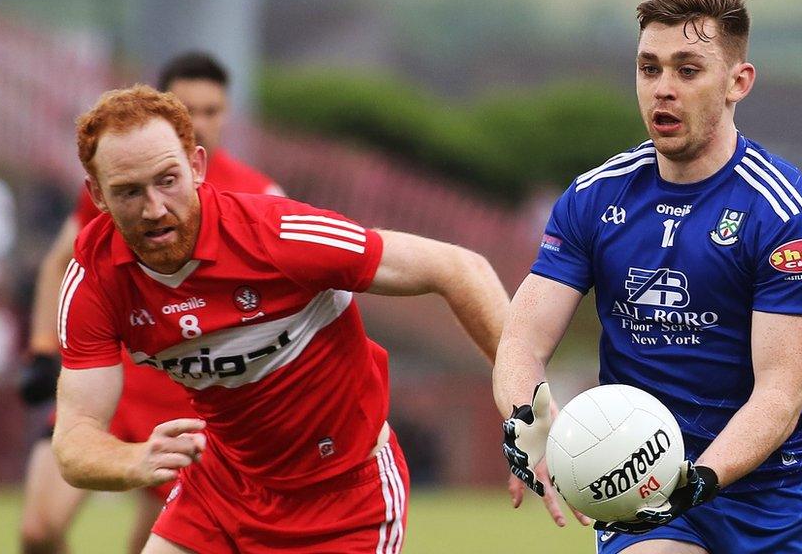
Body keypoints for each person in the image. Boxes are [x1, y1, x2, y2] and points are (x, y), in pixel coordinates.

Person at [53, 84, 508, 554]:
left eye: (167, 180)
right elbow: (74, 440)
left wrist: (525, 402)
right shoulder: (94, 280)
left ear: (196, 167)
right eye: (128, 192)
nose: (154, 208)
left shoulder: (278, 236)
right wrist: (133, 460)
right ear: (98, 196)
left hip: (347, 500)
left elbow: (459, 268)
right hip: (221, 491)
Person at [495, 0, 802, 554]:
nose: (663, 89)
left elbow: (779, 395)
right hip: (648, 488)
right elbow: (522, 339)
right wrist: (524, 419)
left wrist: (699, 480)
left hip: (777, 497)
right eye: (648, 68)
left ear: (738, 82)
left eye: (688, 70)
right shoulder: (593, 198)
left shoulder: (790, 216)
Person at [18, 52, 285, 554]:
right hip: (106, 375)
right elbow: (62, 261)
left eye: (213, 110)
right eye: (191, 109)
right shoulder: (121, 182)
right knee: (38, 530)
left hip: (184, 397)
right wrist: (40, 346)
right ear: (167, 114)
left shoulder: (259, 194)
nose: (202, 123)